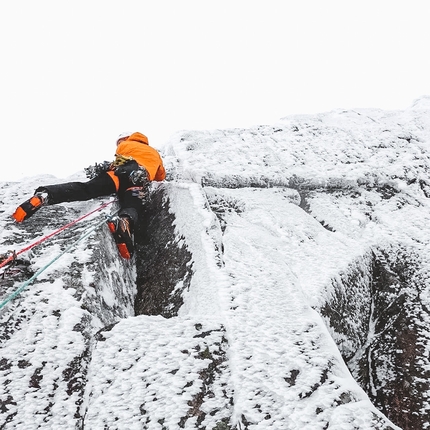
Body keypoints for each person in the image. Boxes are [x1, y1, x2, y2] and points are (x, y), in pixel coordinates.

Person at [12, 131, 166, 259]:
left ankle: (45, 196)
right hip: (137, 182)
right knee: (133, 205)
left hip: (117, 175)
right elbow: (160, 176)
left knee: (86, 189)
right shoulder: (155, 153)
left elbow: (119, 159)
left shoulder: (125, 144)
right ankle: (124, 222)